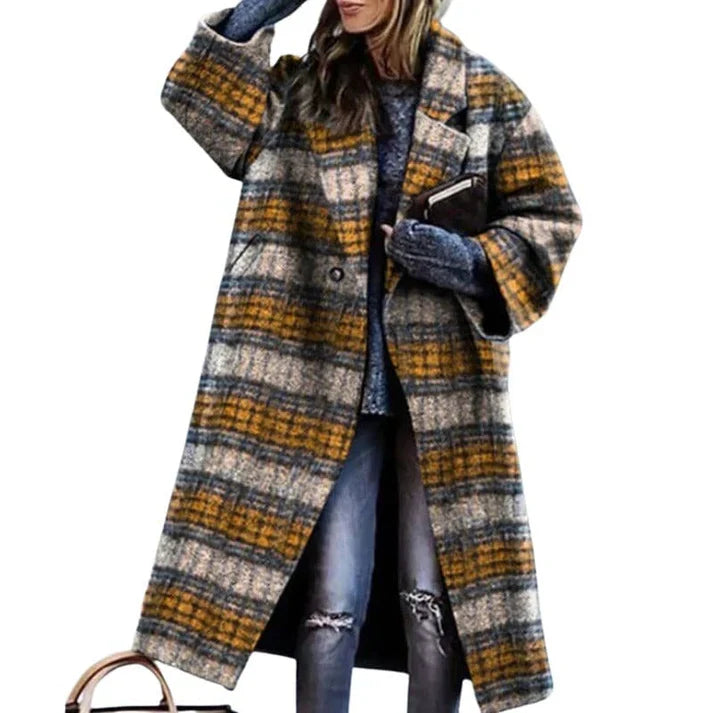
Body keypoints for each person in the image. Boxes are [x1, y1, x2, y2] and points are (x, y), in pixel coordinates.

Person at [208, 1, 494, 711]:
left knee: (431, 601)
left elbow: (550, 219)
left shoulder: (482, 92)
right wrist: (257, 9)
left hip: (438, 388)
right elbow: (212, 114)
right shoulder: (306, 91)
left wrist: (457, 258)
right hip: (327, 384)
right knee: (330, 602)